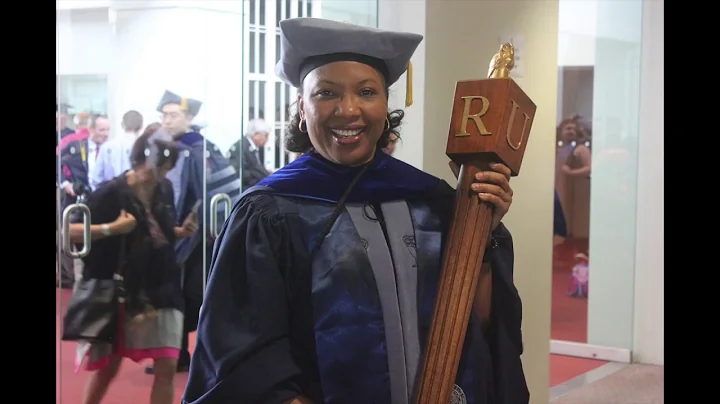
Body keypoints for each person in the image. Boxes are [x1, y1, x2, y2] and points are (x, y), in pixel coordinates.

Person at [183, 18, 528, 404]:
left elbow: (479, 326)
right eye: (326, 93)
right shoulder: (269, 212)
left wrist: (481, 231)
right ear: (302, 107)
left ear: (385, 105)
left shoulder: (432, 200)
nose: (349, 110)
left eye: (367, 92)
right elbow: (242, 360)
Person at [68, 129, 198, 404]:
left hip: (163, 285)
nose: (157, 176)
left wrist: (179, 231)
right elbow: (71, 231)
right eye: (154, 168)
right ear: (138, 161)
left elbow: (154, 232)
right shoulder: (111, 193)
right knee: (108, 367)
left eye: (164, 170)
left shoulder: (163, 188)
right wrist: (111, 228)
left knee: (167, 363)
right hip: (125, 288)